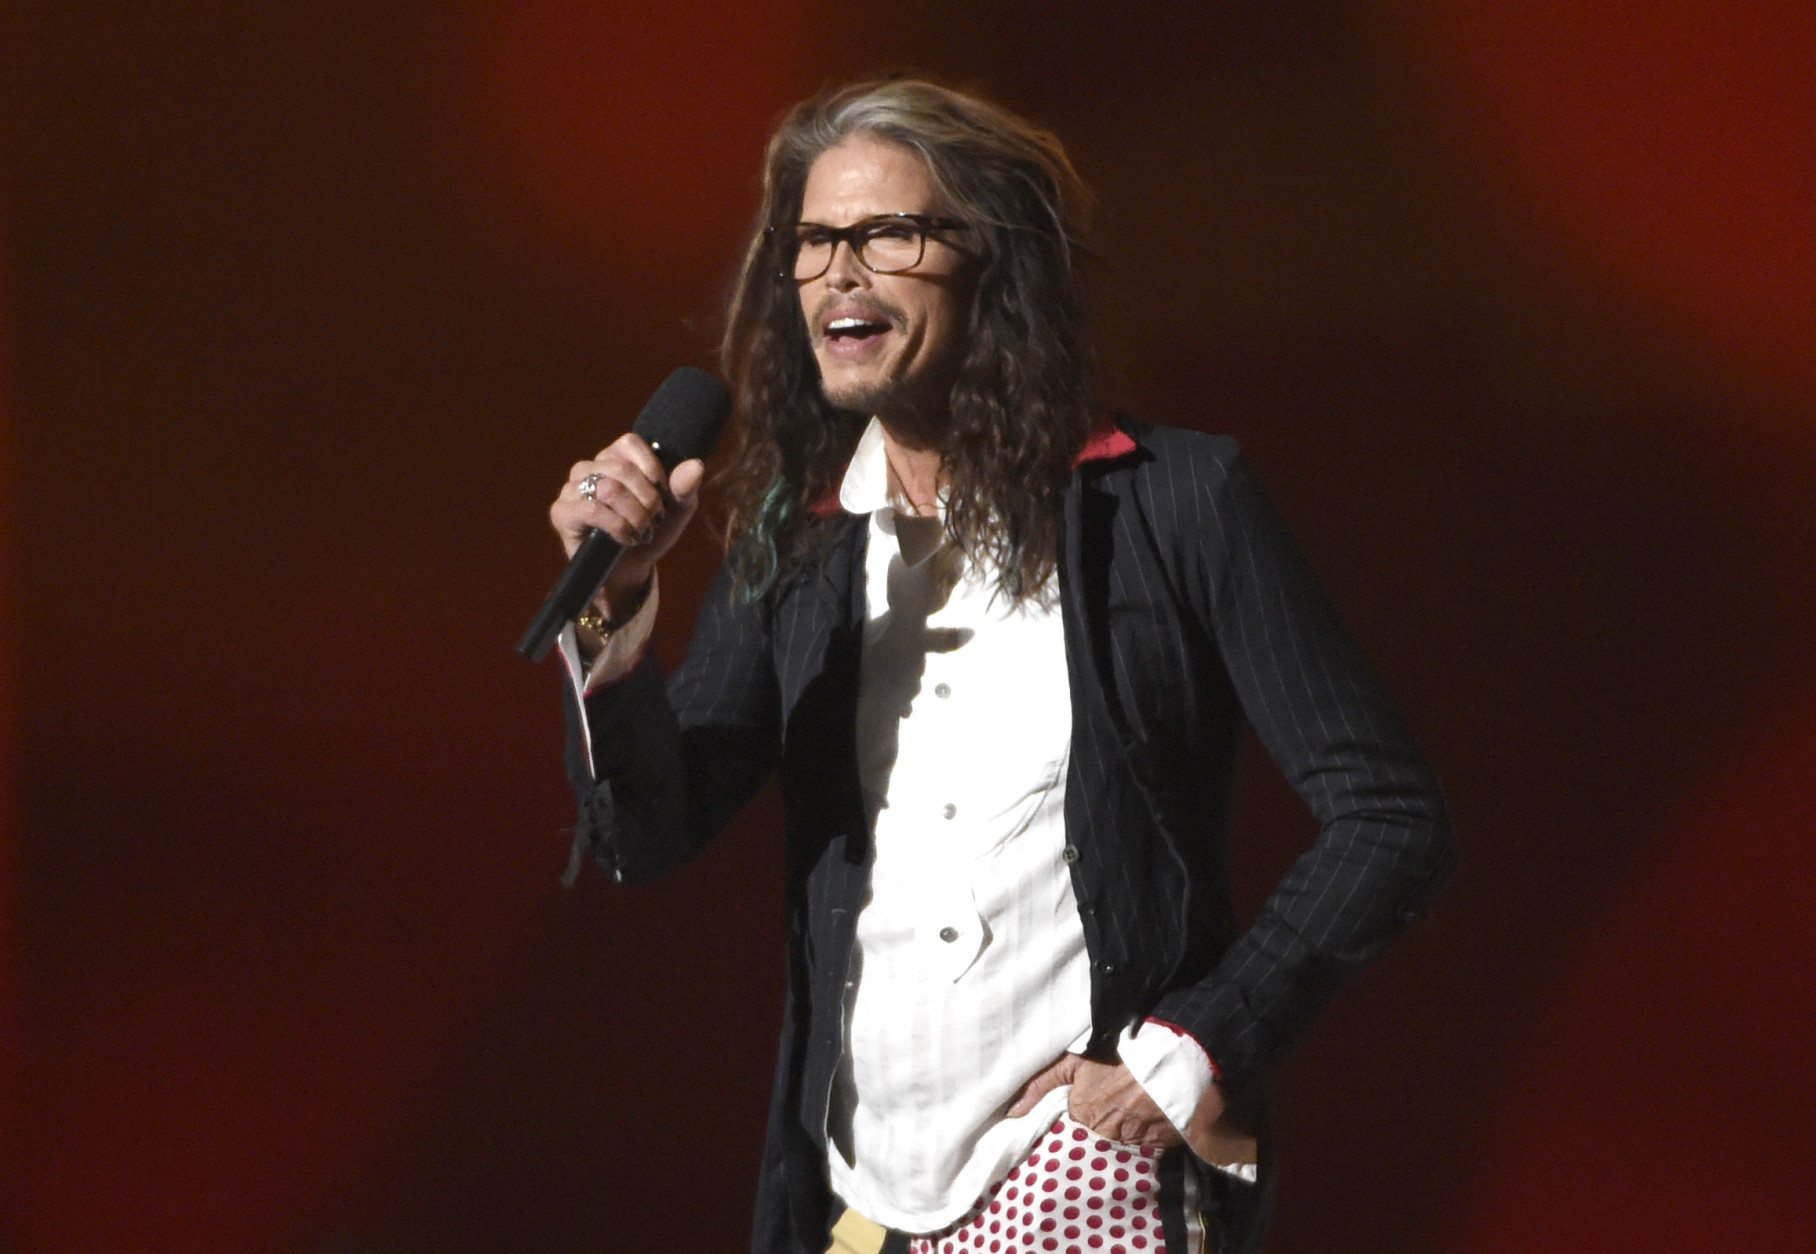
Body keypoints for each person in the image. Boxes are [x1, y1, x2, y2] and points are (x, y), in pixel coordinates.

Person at [546, 79, 1452, 1254]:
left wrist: (1192, 1050)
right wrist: (614, 606)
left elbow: (1389, 815)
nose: (837, 272)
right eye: (813, 241)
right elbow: (647, 830)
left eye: (886, 234)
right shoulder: (805, 546)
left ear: (992, 261)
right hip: (865, 1188)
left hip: (1077, 1168)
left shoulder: (1168, 502)